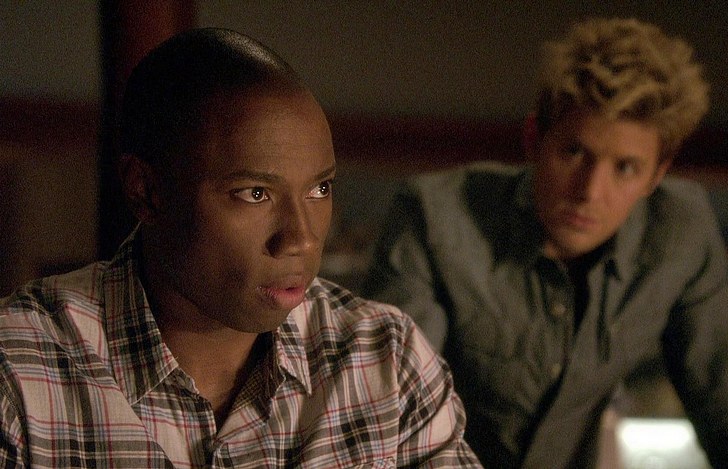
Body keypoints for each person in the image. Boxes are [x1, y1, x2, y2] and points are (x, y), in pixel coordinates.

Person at [0, 28, 481, 468]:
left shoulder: (385, 362)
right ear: (147, 191)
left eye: (320, 189)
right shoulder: (21, 372)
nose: (301, 238)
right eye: (255, 193)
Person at [363, 17, 728, 469]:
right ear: (534, 139)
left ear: (656, 175)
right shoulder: (436, 216)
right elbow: (391, 418)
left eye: (625, 168)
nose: (589, 192)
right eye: (574, 152)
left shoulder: (679, 233)